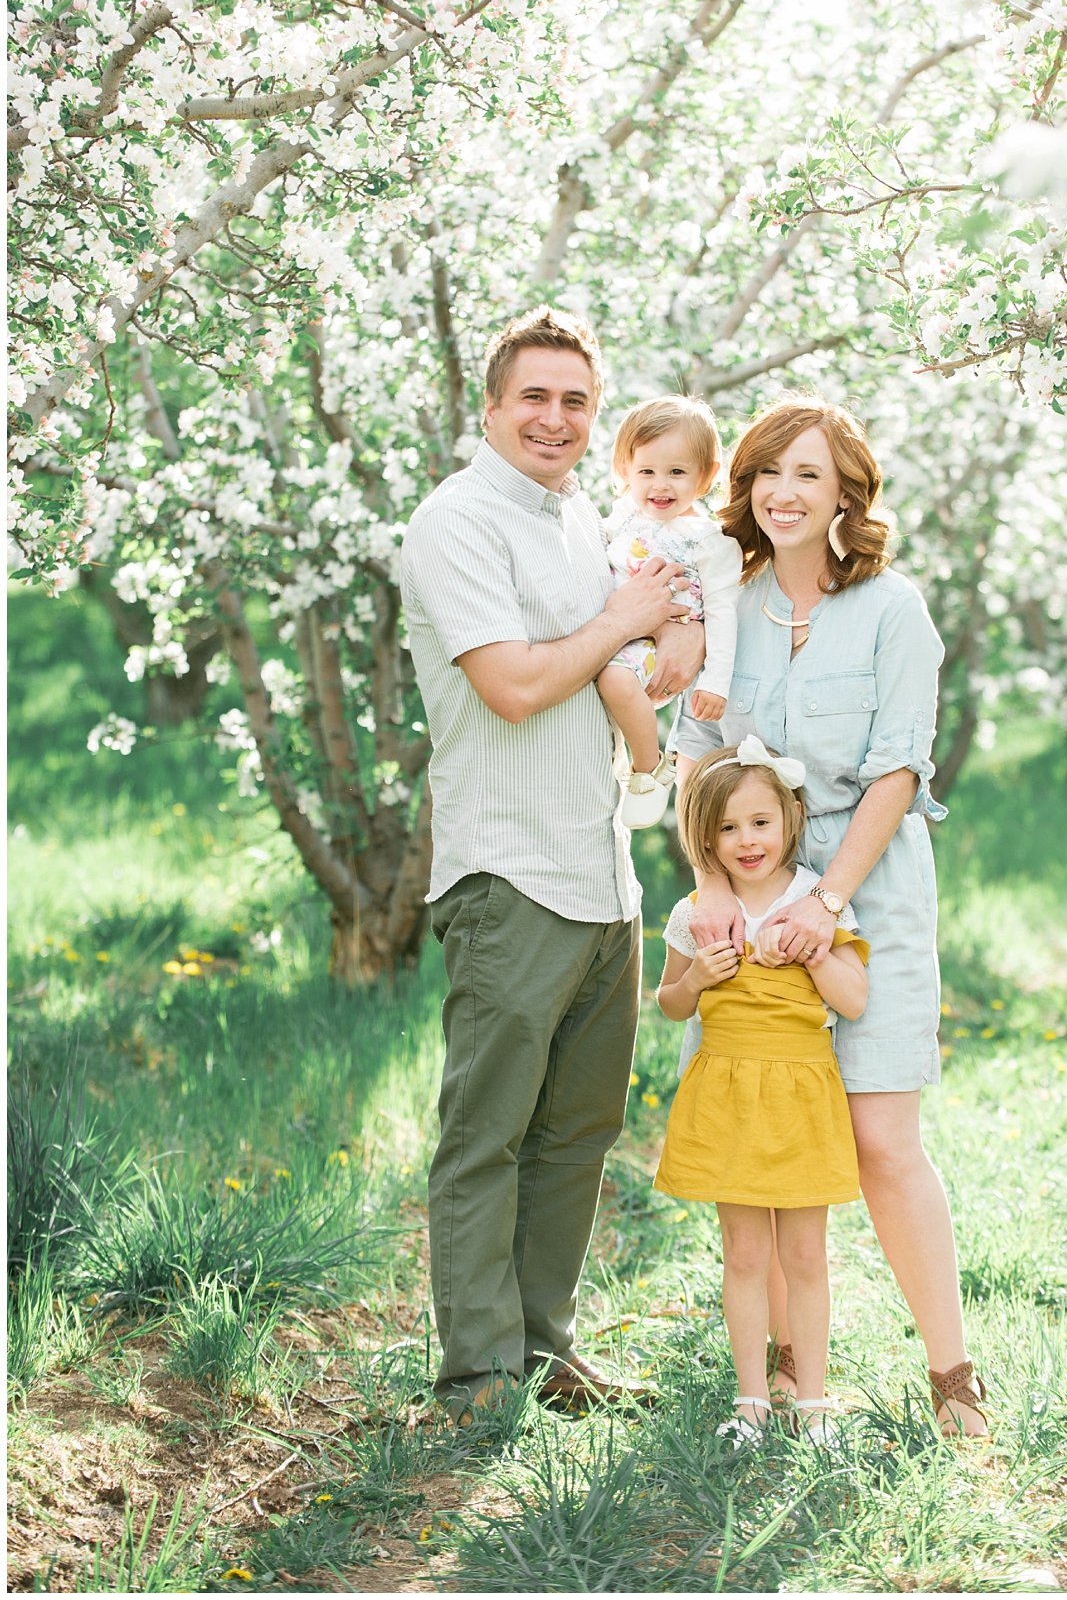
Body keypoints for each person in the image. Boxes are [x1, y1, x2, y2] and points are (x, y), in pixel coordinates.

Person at [397, 306, 706, 1421]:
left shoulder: (589, 522)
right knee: (489, 1132)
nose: (556, 416)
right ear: (489, 405)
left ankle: (542, 1347)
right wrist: (625, 617)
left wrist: (661, 641)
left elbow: (626, 658)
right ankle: (476, 1374)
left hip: (602, 875)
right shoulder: (458, 520)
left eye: (577, 399)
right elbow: (516, 684)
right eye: (533, 394)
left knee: (577, 1129)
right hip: (508, 870)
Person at [671, 394, 991, 1438]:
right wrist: (715, 885)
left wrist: (830, 894)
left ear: (846, 490)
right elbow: (696, 752)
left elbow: (901, 765)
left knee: (880, 1135)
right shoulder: (729, 606)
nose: (783, 492)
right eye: (766, 472)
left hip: (869, 885)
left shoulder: (894, 609)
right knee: (757, 1126)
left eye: (807, 473)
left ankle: (953, 1375)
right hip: (748, 890)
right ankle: (776, 1376)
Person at [653, 739, 870, 1446]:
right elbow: (670, 1002)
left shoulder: (814, 903)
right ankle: (751, 1399)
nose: (745, 841)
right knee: (744, 1254)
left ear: (793, 819)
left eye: (759, 823)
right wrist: (699, 979)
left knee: (805, 1255)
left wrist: (813, 952)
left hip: (801, 1095)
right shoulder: (697, 912)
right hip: (727, 1096)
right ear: (704, 838)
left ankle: (812, 1401)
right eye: (725, 828)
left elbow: (856, 998)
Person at [593, 395, 747, 827]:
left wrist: (716, 681)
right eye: (647, 471)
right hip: (621, 629)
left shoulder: (709, 540)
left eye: (677, 472)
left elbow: (722, 613)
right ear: (625, 470)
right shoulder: (622, 516)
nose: (660, 485)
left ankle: (649, 768)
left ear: (706, 475)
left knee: (614, 680)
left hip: (657, 644)